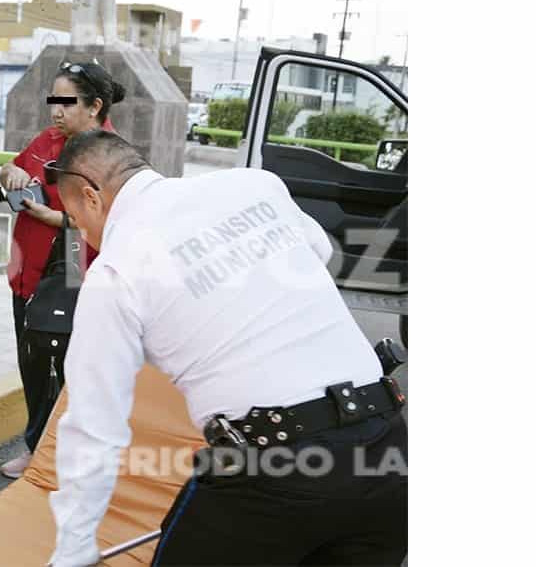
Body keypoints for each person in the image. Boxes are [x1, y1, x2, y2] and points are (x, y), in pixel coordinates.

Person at [45, 130, 407, 566]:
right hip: (388, 450)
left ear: (90, 196)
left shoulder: (116, 269)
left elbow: (93, 425)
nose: (85, 236)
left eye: (78, 221)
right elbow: (316, 251)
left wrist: (74, 548)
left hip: (276, 471)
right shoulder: (255, 184)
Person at [0, 61, 124, 479]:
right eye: (54, 99)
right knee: (32, 358)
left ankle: (71, 457)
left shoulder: (111, 155)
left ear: (94, 106)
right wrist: (11, 172)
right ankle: (37, 448)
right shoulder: (48, 139)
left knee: (72, 366)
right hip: (28, 266)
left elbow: (105, 219)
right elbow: (11, 167)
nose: (56, 110)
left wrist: (51, 217)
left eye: (66, 102)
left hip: (75, 262)